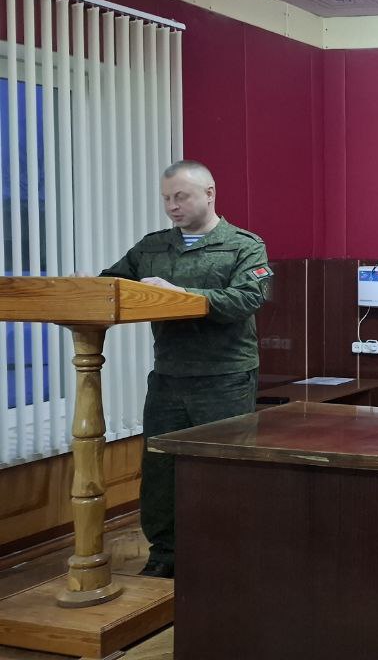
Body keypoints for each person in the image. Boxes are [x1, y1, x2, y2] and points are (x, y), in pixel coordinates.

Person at [101, 160, 270, 578]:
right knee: (160, 470)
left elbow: (247, 298)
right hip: (169, 377)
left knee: (223, 471)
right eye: (166, 199)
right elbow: (113, 285)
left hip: (224, 378)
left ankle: (227, 557)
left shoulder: (244, 245)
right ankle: (166, 554)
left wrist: (179, 295)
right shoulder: (152, 247)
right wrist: (86, 288)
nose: (172, 206)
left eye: (181, 197)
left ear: (209, 194)